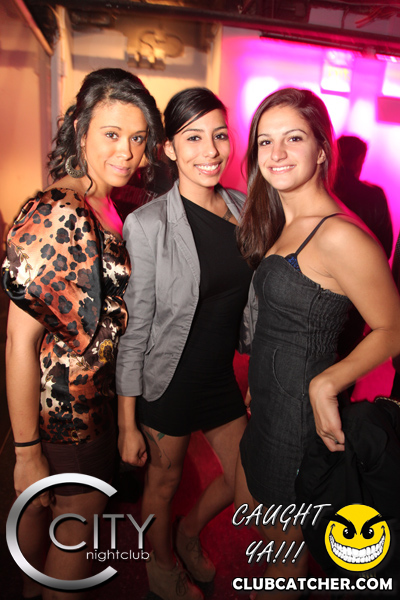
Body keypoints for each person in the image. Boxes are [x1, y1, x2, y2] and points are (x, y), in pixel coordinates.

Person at [2, 68, 163, 600]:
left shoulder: (106, 203)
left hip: (88, 405)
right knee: (75, 531)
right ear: (80, 129)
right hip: (68, 416)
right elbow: (19, 341)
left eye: (138, 138)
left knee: (46, 516)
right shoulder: (58, 210)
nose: (128, 152)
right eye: (112, 134)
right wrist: (27, 451)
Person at [235, 88, 400, 599]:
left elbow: (393, 327)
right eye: (266, 141)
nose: (277, 153)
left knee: (285, 559)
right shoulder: (286, 219)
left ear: (322, 149)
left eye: (294, 138)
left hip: (299, 425)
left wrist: (326, 384)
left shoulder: (339, 234)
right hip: (268, 407)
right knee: (265, 536)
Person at [116, 87, 253, 600]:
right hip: (167, 379)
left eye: (219, 135)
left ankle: (187, 532)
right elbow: (135, 329)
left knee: (247, 479)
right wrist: (127, 422)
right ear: (169, 148)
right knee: (163, 482)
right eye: (193, 138)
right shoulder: (147, 224)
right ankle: (161, 567)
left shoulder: (245, 208)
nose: (210, 151)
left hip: (220, 377)